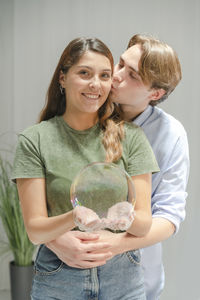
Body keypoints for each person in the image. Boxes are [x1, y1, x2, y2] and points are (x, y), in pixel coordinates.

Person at [12, 37, 159, 300]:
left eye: (104, 76)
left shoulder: (132, 137)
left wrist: (126, 215)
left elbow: (144, 225)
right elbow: (35, 230)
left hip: (123, 279)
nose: (95, 84)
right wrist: (74, 217)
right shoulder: (34, 140)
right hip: (58, 278)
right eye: (84, 73)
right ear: (62, 78)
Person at [46, 34, 189, 300]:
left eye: (132, 75)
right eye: (121, 63)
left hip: (135, 277)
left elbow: (169, 216)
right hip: (68, 269)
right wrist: (53, 239)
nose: (116, 75)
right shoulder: (83, 109)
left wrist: (114, 245)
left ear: (155, 93)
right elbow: (44, 194)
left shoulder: (170, 135)